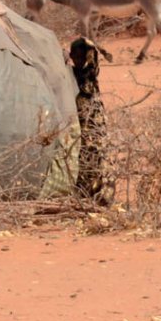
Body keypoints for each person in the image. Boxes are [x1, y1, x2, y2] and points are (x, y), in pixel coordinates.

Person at [70, 37, 112, 202]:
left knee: (96, 157)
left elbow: (93, 57)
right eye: (75, 56)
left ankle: (97, 195)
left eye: (81, 56)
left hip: (94, 122)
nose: (78, 60)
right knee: (84, 157)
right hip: (83, 122)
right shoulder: (72, 72)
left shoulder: (89, 73)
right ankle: (85, 194)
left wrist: (91, 45)